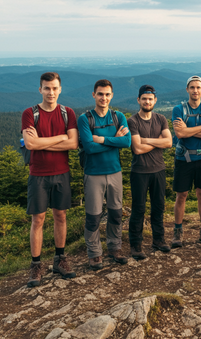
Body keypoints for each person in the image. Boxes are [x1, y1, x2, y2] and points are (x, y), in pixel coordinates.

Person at [22, 72, 79, 287]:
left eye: (55, 88)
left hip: (61, 172)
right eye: (47, 88)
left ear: (60, 89)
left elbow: (73, 144)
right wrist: (61, 137)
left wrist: (42, 142)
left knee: (60, 216)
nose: (51, 92)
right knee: (38, 220)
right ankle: (36, 265)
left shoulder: (68, 113)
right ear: (40, 90)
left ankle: (60, 259)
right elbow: (30, 145)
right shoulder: (30, 113)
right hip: (38, 174)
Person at [77, 79, 131, 270]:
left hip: (115, 172)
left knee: (116, 214)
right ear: (94, 95)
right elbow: (89, 148)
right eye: (100, 94)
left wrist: (101, 139)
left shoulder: (118, 117)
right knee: (93, 216)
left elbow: (126, 143)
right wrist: (113, 140)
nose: (104, 98)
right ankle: (94, 254)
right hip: (93, 174)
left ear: (112, 95)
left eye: (107, 94)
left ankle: (114, 248)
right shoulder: (85, 119)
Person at [171, 75, 201, 248]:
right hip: (184, 158)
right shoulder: (178, 109)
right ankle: (178, 232)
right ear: (187, 90)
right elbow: (180, 134)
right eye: (192, 87)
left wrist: (189, 129)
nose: (195, 90)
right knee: (181, 195)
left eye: (198, 87)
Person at [127, 85, 173, 260]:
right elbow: (137, 149)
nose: (147, 101)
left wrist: (146, 140)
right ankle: (136, 245)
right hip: (139, 171)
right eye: (144, 99)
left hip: (159, 170)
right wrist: (157, 141)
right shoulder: (133, 121)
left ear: (155, 100)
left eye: (150, 99)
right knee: (138, 209)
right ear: (138, 100)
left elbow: (169, 142)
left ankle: (158, 240)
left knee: (158, 207)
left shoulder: (161, 119)